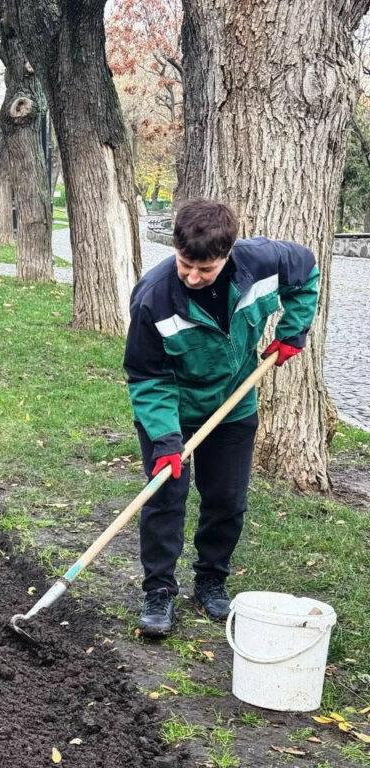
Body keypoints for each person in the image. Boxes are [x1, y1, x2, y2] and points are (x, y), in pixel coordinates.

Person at [123, 199, 320, 637]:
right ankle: (158, 591)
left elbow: (307, 272)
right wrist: (166, 440)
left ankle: (211, 582)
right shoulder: (153, 298)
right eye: (184, 265)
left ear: (227, 254)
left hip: (233, 404)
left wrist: (293, 331)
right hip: (171, 411)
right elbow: (147, 376)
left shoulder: (263, 262)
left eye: (205, 269)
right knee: (165, 498)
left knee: (227, 500)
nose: (192, 277)